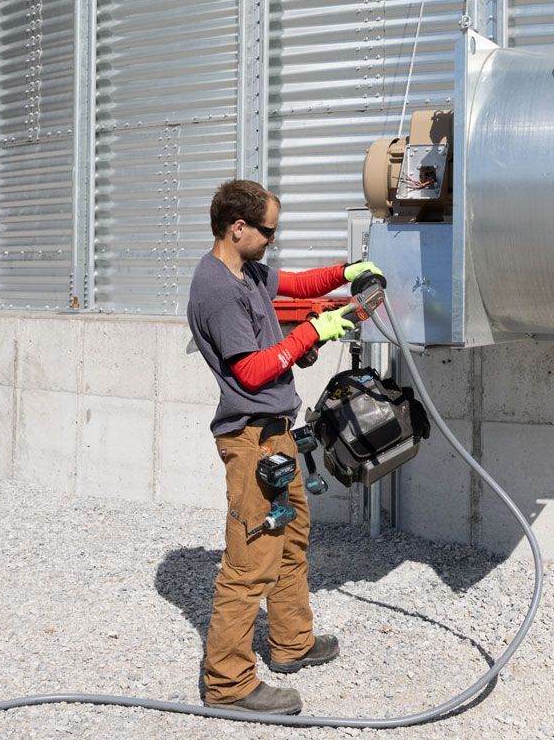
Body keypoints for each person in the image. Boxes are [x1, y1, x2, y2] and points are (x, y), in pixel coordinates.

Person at [185, 178, 382, 715]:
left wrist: (347, 275)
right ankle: (227, 682)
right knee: (250, 559)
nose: (273, 240)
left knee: (292, 534)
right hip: (248, 438)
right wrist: (312, 332)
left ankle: (291, 643)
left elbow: (294, 284)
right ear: (237, 227)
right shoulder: (217, 289)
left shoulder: (244, 271)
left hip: (275, 432)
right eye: (268, 231)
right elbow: (250, 371)